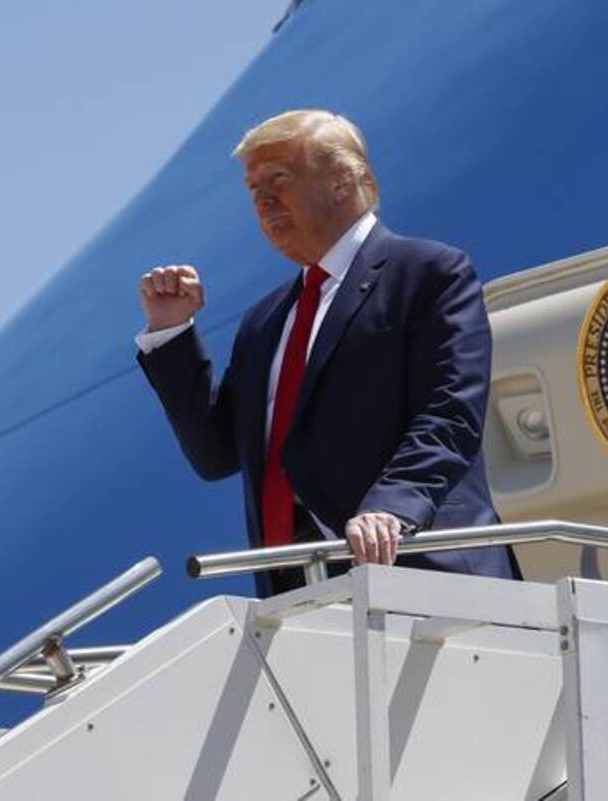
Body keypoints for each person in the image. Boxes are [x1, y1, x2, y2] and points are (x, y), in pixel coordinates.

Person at [136, 109, 519, 596]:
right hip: (299, 594)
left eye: (279, 177)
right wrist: (171, 333)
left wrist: (393, 506)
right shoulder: (264, 323)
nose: (263, 200)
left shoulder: (428, 274)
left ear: (342, 180)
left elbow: (450, 413)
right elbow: (216, 454)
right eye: (253, 189)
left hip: (421, 572)